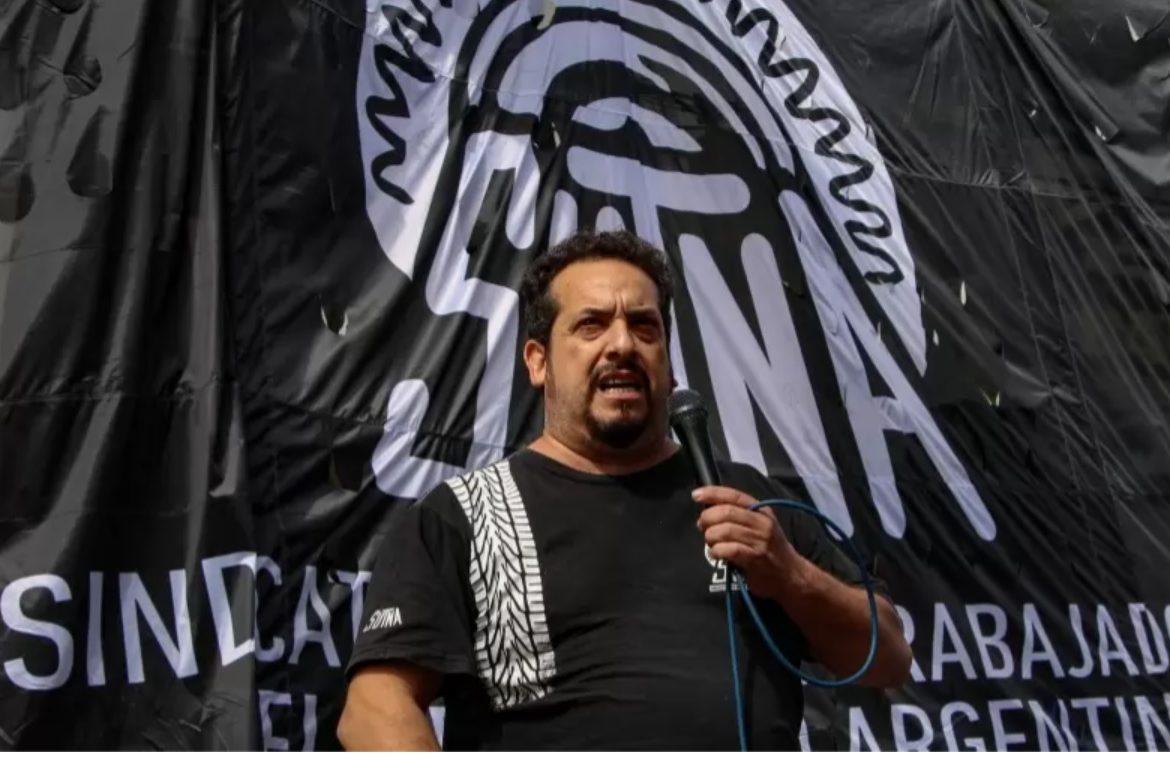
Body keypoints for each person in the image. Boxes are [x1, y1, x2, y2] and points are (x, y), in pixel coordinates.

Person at [338, 230, 912, 751]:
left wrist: (789, 575)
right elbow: (374, 709)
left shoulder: (745, 501)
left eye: (644, 327)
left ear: (669, 363)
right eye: (591, 325)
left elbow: (887, 659)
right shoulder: (460, 518)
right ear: (538, 362)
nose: (622, 345)